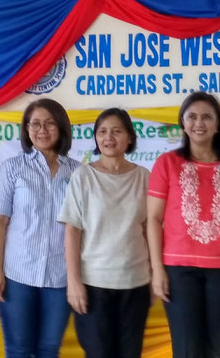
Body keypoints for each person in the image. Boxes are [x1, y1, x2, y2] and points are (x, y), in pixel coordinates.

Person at [146, 91, 220, 358]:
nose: (199, 123)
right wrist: (157, 270)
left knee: (217, 347)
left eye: (207, 117)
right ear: (182, 123)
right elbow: (153, 219)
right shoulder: (167, 163)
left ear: (218, 124)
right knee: (187, 348)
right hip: (178, 270)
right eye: (192, 116)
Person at [0, 98, 80, 358]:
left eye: (50, 123)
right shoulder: (13, 168)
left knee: (49, 349)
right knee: (18, 349)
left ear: (61, 127)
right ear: (27, 129)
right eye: (35, 124)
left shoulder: (78, 172)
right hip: (18, 275)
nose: (42, 130)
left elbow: (82, 227)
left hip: (60, 278)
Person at [58, 108, 151, 358]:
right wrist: (74, 283)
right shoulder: (83, 176)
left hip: (136, 283)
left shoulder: (144, 177)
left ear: (129, 137)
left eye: (116, 131)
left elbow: (148, 229)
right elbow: (72, 231)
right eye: (102, 132)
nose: (108, 137)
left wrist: (154, 274)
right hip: (93, 284)